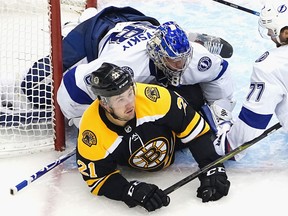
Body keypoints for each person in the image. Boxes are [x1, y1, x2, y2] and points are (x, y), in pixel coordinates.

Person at [76, 62, 230, 212]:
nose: (130, 103)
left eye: (130, 93)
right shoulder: (91, 132)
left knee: (194, 97)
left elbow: (193, 129)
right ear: (104, 104)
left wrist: (212, 166)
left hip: (175, 143)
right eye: (120, 99)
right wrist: (130, 191)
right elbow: (99, 178)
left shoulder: (155, 98)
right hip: (129, 162)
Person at [56, 6, 235, 128]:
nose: (180, 66)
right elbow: (70, 87)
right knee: (36, 87)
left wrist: (221, 110)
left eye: (183, 59)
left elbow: (220, 72)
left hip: (140, 21)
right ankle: (73, 26)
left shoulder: (193, 56)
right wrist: (85, 121)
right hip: (96, 32)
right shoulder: (123, 65)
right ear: (157, 54)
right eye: (173, 61)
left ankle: (192, 37)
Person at [214, 0, 288, 161]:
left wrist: (228, 144)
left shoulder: (270, 65)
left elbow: (253, 121)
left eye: (271, 29)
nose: (269, 34)